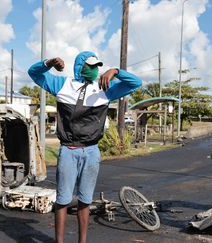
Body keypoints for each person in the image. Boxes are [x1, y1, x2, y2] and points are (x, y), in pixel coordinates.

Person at [28, 51, 142, 243]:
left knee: (85, 200)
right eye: (91, 66)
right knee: (63, 200)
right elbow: (34, 73)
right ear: (81, 66)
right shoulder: (63, 84)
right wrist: (48, 63)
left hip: (91, 151)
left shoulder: (106, 87)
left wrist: (116, 71)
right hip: (68, 150)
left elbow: (136, 83)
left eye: (97, 66)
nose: (95, 70)